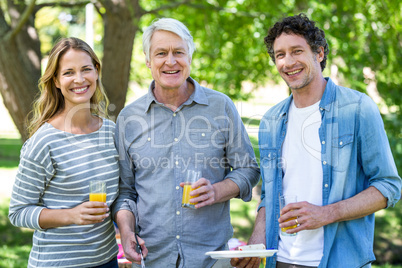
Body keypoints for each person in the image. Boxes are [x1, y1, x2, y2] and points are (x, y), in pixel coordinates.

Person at [231, 13, 401, 268]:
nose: (288, 62)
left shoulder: (357, 108)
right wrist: (257, 244)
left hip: (340, 261)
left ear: (319, 53)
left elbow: (388, 186)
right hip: (282, 260)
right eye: (280, 55)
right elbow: (270, 194)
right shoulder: (271, 120)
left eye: (297, 51)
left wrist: (326, 213)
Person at [112, 18, 260, 268]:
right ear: (148, 61)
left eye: (178, 52)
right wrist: (126, 232)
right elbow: (125, 192)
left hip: (211, 259)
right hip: (151, 259)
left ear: (190, 57)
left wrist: (216, 191)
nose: (171, 61)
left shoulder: (220, 106)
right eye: (161, 53)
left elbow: (249, 170)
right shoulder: (129, 118)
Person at [8, 37, 120, 267]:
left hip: (107, 260)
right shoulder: (45, 141)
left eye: (86, 69)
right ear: (56, 81)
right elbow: (18, 212)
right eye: (68, 72)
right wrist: (71, 215)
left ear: (96, 72)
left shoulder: (111, 132)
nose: (79, 79)